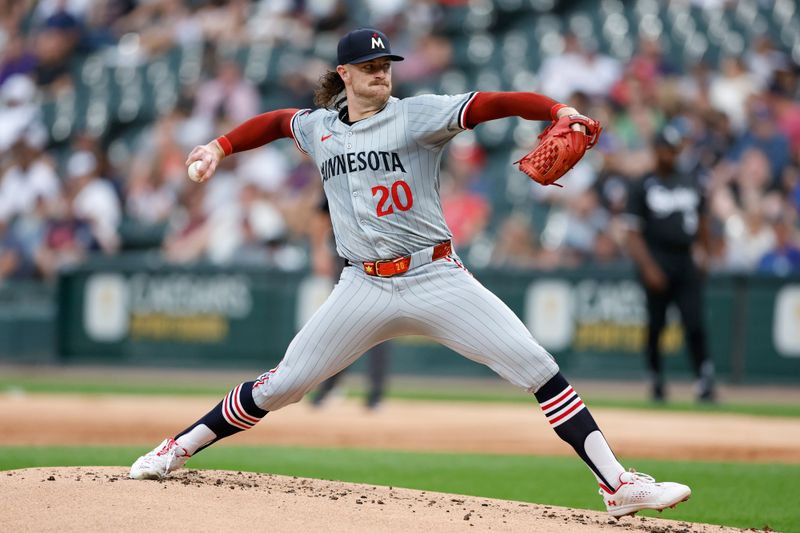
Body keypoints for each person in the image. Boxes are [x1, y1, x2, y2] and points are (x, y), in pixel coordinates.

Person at [130, 28, 691, 518]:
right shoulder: (321, 128)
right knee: (283, 385)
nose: (382, 75)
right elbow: (277, 122)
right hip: (364, 284)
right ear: (344, 74)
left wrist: (555, 111)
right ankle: (176, 448)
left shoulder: (416, 114)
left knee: (539, 367)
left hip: (435, 276)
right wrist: (218, 146)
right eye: (370, 68)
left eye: (386, 66)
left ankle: (617, 484)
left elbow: (490, 103)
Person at [624, 125, 716, 403]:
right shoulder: (642, 184)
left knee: (694, 322)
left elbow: (702, 222)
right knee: (656, 325)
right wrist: (649, 268)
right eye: (663, 149)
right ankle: (655, 377)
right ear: (656, 151)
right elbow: (632, 232)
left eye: (672, 150)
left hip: (685, 258)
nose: (668, 155)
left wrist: (705, 253)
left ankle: (704, 379)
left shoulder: (690, 181)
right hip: (657, 257)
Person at [308, 197, 389, 410]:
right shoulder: (342, 168)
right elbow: (321, 214)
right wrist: (318, 251)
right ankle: (329, 388)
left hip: (381, 256)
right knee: (342, 322)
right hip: (346, 256)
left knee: (380, 324)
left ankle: (375, 394)